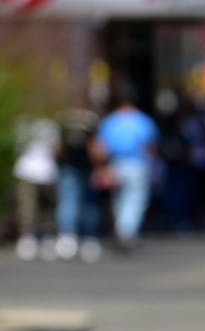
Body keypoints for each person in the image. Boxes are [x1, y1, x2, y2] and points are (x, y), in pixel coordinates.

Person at [98, 90, 160, 251]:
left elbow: (102, 147)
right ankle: (127, 231)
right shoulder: (143, 121)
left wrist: (102, 168)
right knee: (135, 200)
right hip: (137, 164)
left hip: (116, 164)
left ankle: (121, 230)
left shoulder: (110, 121)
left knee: (118, 200)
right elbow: (151, 146)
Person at [54, 101, 104, 261]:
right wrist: (99, 167)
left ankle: (67, 237)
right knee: (89, 203)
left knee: (68, 201)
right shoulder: (91, 120)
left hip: (68, 166)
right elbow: (95, 147)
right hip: (86, 167)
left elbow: (57, 148)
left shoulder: (63, 119)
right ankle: (90, 238)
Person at [11, 116, 58, 261]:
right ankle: (27, 238)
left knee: (46, 208)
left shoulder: (50, 124)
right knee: (28, 208)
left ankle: (46, 238)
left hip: (47, 172)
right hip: (27, 171)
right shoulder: (22, 124)